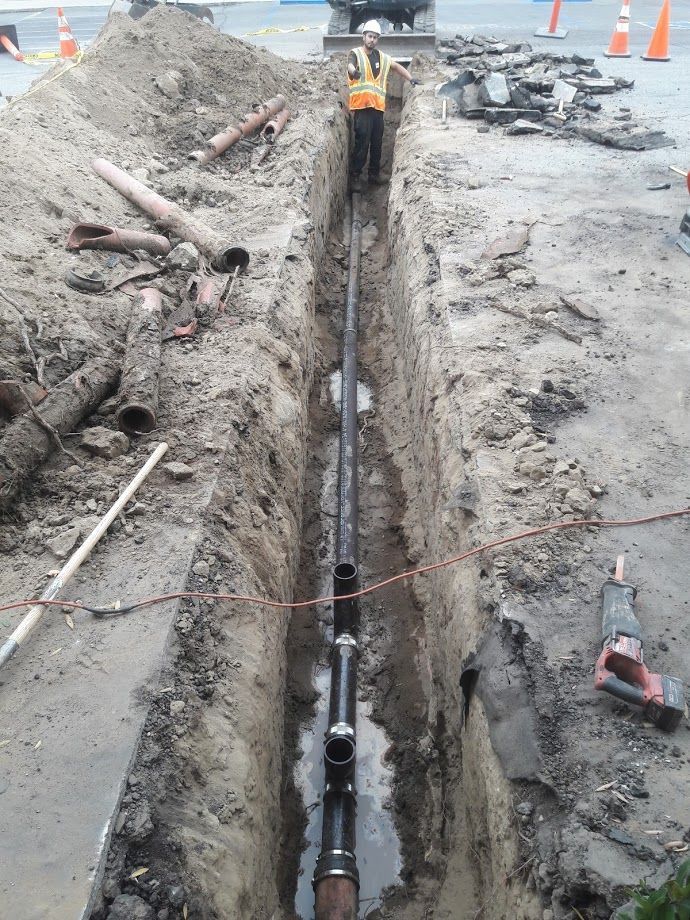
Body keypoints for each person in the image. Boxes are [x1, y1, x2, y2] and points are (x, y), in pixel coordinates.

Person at [347, 20, 419, 192]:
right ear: (364, 36)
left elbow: (396, 67)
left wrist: (410, 78)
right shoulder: (356, 54)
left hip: (377, 110)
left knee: (377, 143)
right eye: (370, 36)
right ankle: (355, 177)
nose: (372, 40)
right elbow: (350, 65)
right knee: (362, 144)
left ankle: (374, 175)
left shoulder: (382, 57)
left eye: (375, 37)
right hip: (362, 109)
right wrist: (354, 72)